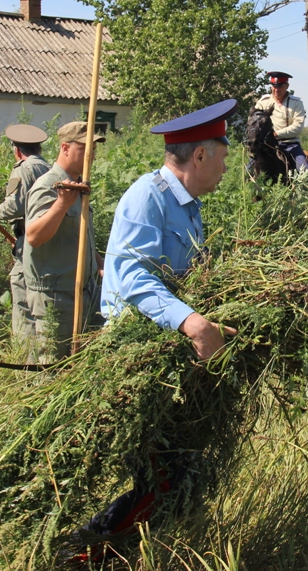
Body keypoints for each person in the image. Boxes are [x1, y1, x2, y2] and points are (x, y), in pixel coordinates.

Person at [63, 100, 239, 559]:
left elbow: (186, 273)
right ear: (199, 155)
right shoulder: (149, 196)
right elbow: (131, 277)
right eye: (222, 156)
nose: (226, 166)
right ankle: (83, 553)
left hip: (169, 357)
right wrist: (192, 320)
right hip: (139, 359)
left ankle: (127, 554)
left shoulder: (190, 206)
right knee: (161, 477)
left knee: (176, 473)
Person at [23, 121, 106, 361]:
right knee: (53, 369)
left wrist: (100, 264)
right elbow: (34, 237)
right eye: (85, 149)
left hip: (83, 292)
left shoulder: (78, 187)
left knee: (79, 367)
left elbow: (78, 238)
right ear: (65, 148)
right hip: (56, 298)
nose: (92, 156)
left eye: (94, 150)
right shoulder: (50, 187)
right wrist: (61, 204)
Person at [0, 123, 51, 341]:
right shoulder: (48, 168)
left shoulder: (24, 168)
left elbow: (14, 206)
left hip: (30, 242)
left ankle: (26, 353)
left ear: (16, 150)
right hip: (48, 240)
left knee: (24, 295)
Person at [254, 71, 308, 172]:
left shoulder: (297, 103)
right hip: (266, 146)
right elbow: (254, 123)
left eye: (280, 86)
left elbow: (298, 127)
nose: (276, 89)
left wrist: (276, 134)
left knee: (305, 171)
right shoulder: (263, 102)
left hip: (290, 145)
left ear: (287, 86)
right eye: (274, 86)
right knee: (248, 170)